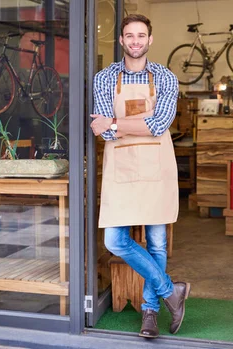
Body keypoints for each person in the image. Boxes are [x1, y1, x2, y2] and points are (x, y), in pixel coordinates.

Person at [90, 14, 189, 339]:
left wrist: (116, 124)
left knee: (157, 243)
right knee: (115, 240)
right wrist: (118, 129)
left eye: (141, 35)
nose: (135, 41)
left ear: (150, 40)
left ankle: (150, 311)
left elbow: (159, 126)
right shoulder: (104, 78)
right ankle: (170, 290)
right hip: (122, 166)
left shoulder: (165, 77)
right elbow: (104, 134)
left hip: (155, 167)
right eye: (129, 36)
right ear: (121, 41)